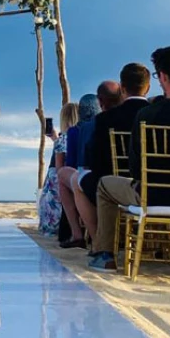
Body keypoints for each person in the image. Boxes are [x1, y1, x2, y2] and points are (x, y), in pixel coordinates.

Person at [89, 46, 170, 271]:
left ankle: (105, 255)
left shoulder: (148, 115)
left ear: (163, 76)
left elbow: (136, 167)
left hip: (152, 196)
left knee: (104, 185)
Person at [72, 64, 151, 247]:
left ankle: (98, 243)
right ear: (148, 87)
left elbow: (95, 161)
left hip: (116, 184)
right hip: (155, 186)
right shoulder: (156, 114)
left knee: (78, 180)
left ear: (123, 87)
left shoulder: (105, 119)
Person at [57, 92, 102, 248]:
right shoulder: (106, 123)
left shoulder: (77, 130)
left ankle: (77, 234)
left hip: (89, 180)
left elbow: (72, 164)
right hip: (118, 181)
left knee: (64, 175)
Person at [38, 102, 79, 236]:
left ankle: (51, 225)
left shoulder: (62, 140)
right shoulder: (81, 136)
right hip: (77, 176)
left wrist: (57, 140)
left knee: (52, 176)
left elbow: (58, 167)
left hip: (62, 181)